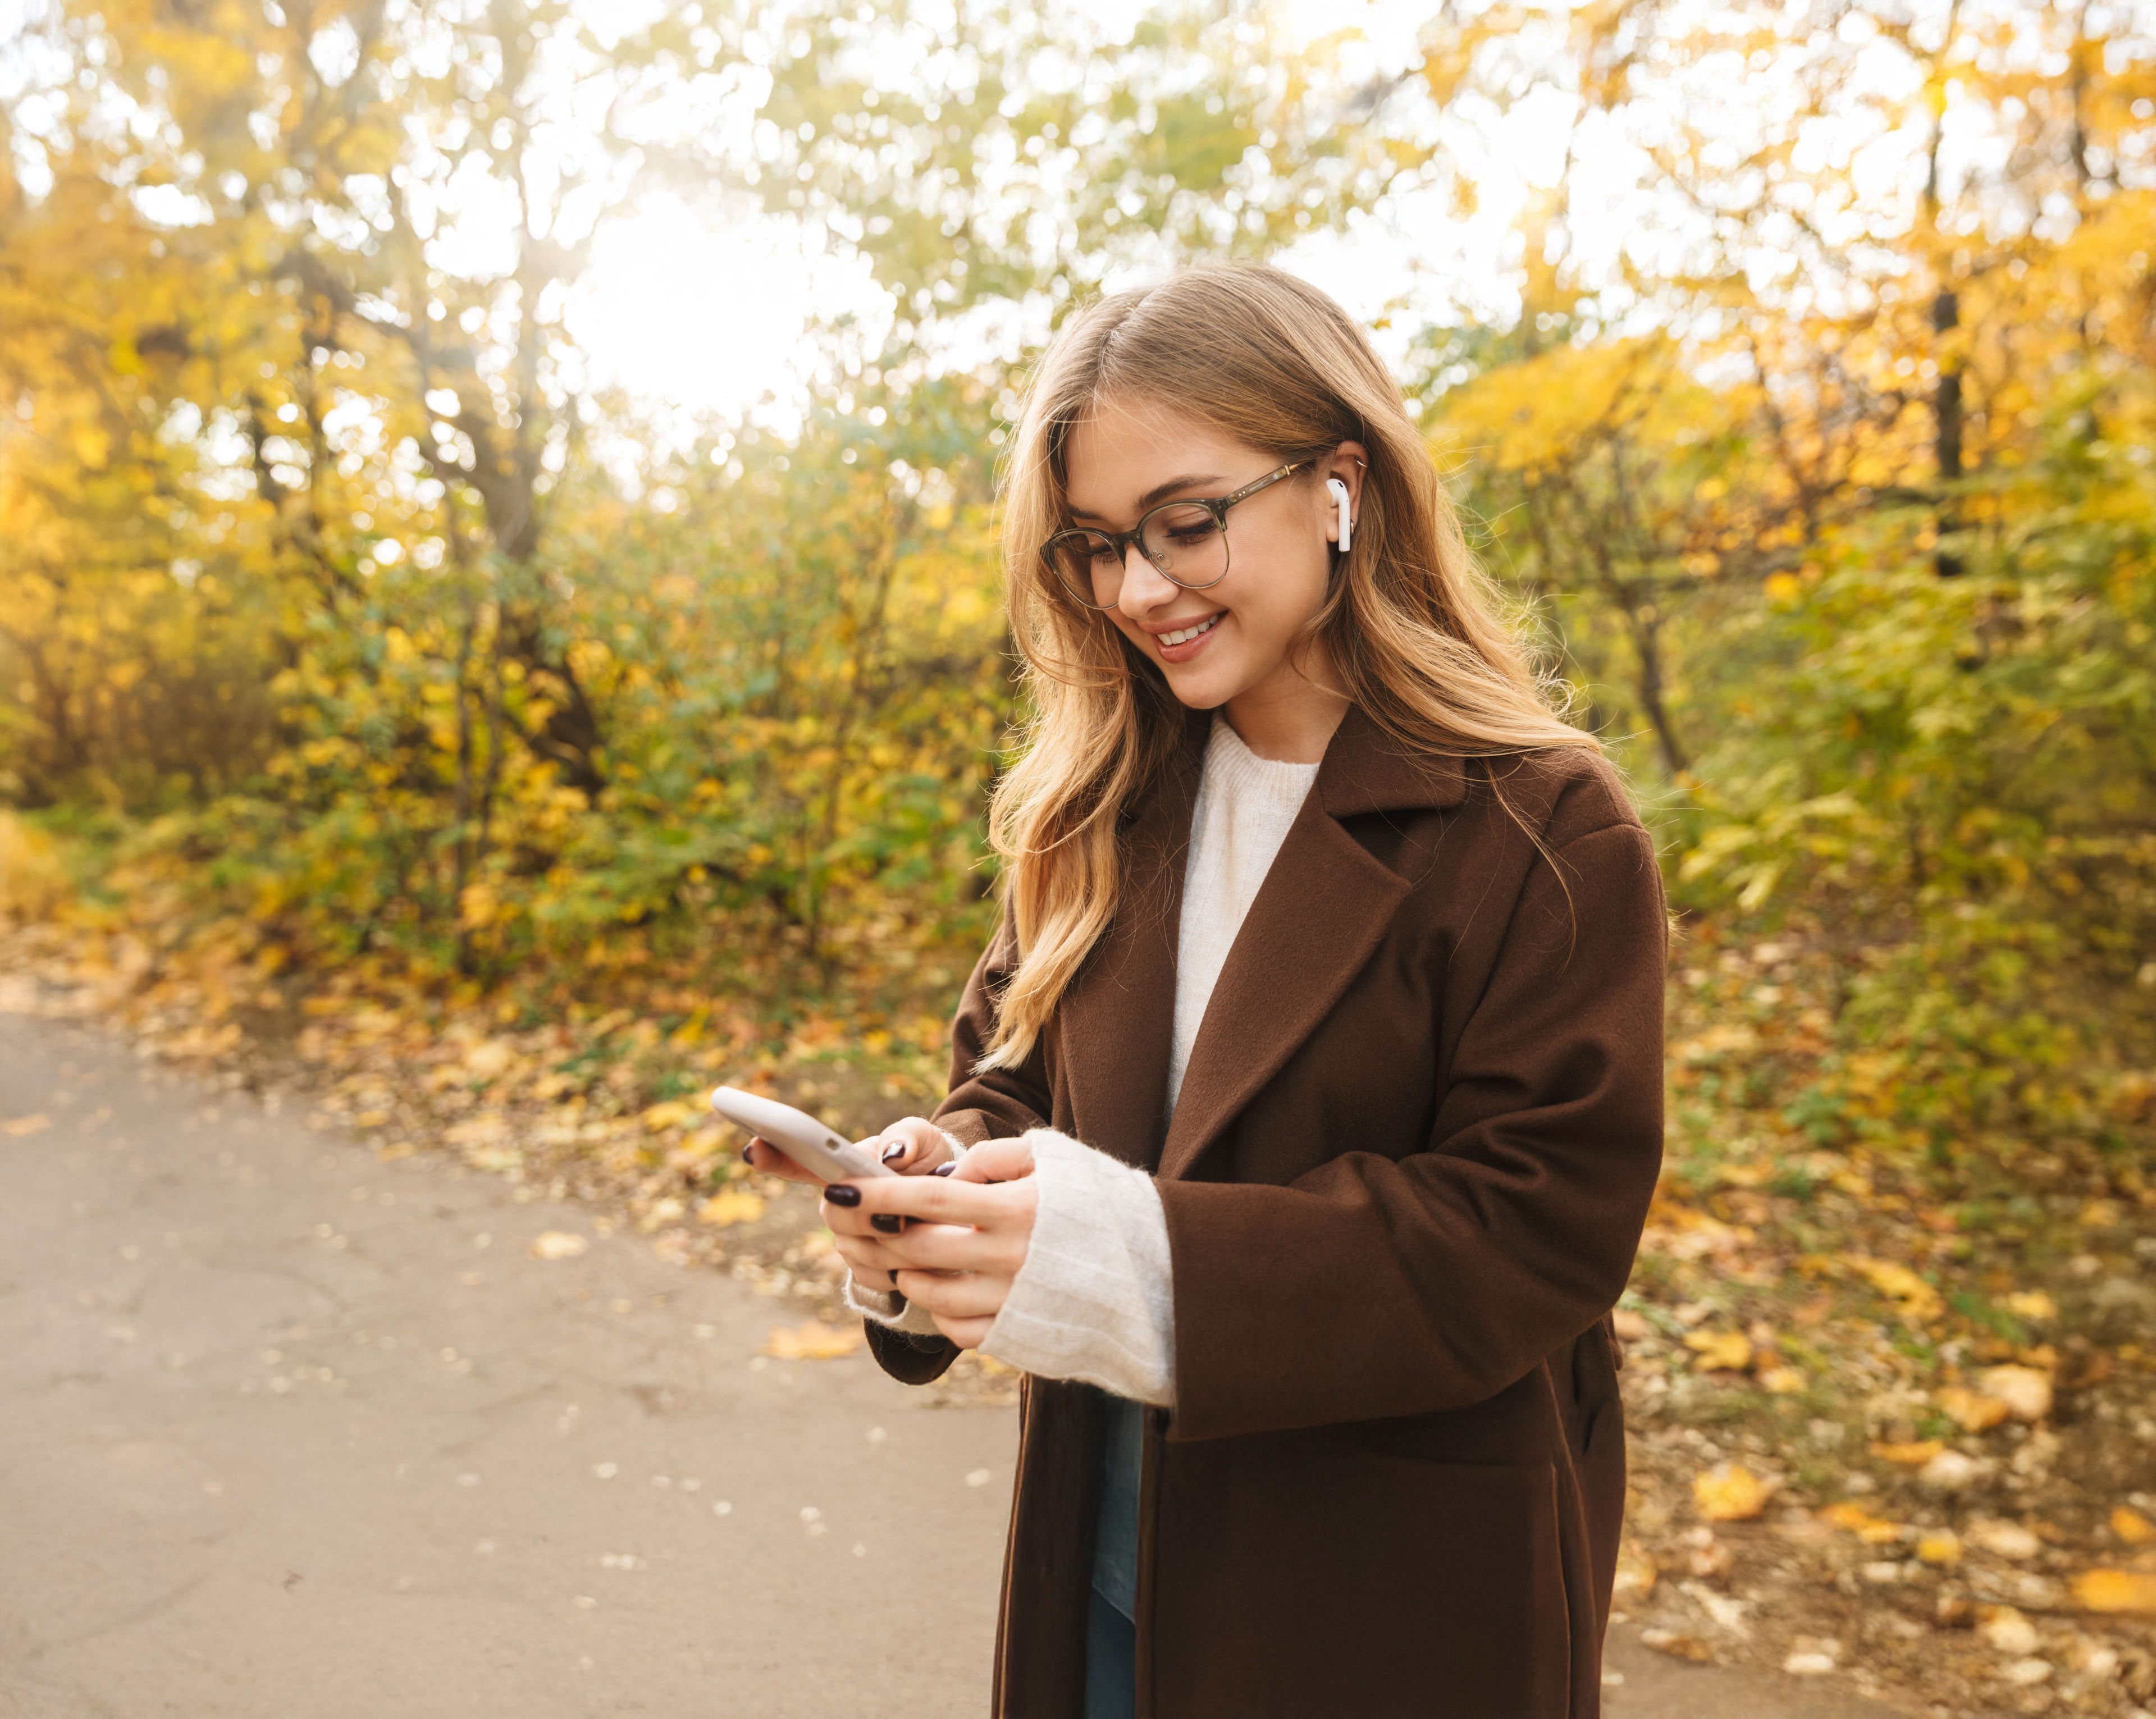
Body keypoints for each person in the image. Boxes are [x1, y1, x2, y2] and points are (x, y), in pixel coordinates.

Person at [743, 263, 1666, 1719]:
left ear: (1341, 485)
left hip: (1388, 1609)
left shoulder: (1540, 826)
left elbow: (1531, 1230)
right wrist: (929, 1183)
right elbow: (1014, 1082)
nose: (1140, 590)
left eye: (1186, 524)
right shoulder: (1101, 804)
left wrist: (1122, 1256)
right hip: (1109, 1568)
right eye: (1099, 546)